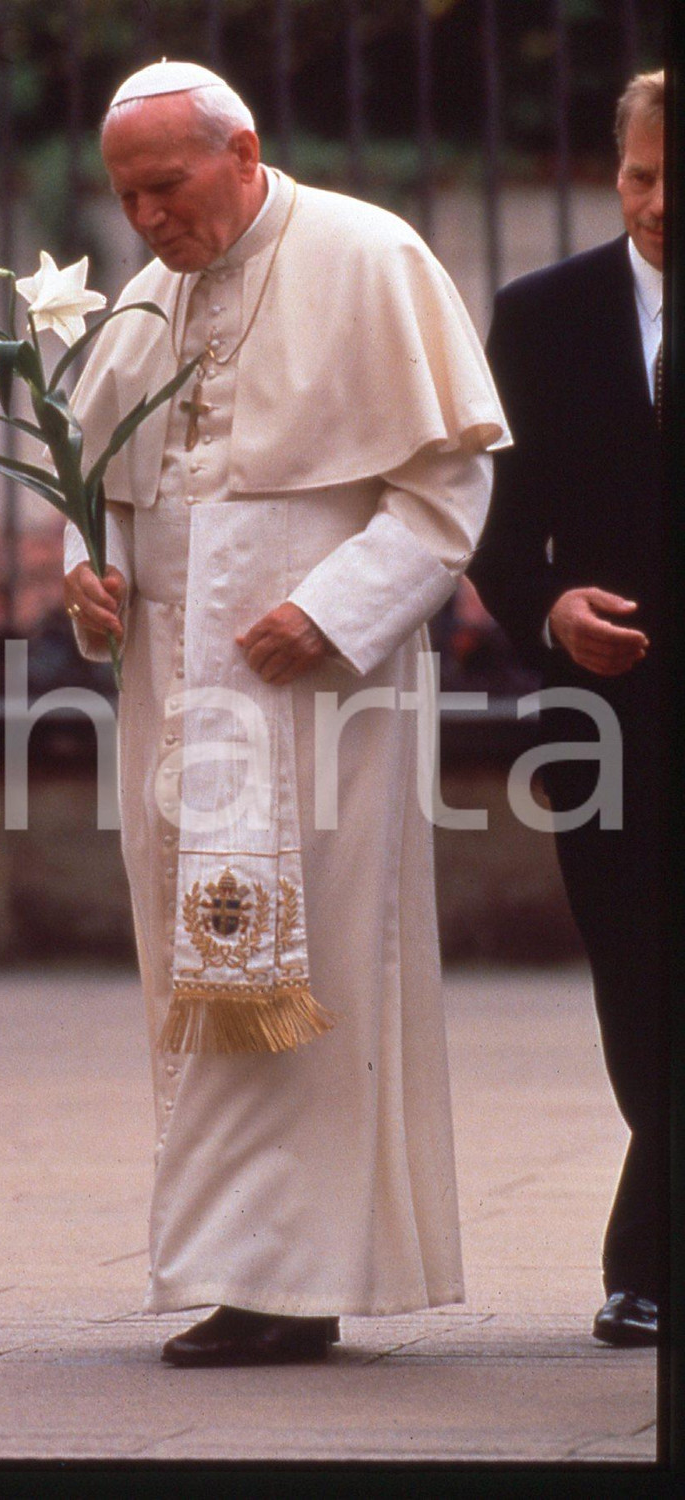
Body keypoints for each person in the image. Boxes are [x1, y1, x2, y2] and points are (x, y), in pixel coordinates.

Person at [63, 60, 509, 1366]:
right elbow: (106, 495)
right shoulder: (147, 302)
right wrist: (87, 577)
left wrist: (338, 607)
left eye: (168, 184)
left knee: (312, 976)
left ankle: (295, 1276)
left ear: (242, 149)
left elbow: (443, 491)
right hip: (182, 705)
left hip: (321, 701)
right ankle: (229, 1262)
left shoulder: (371, 256)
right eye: (127, 195)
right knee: (198, 977)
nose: (147, 219)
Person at [467, 71, 668, 1348]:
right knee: (641, 986)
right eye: (642, 175)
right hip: (608, 720)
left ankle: (645, 1256)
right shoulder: (541, 316)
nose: (658, 203)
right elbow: (488, 527)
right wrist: (549, 610)